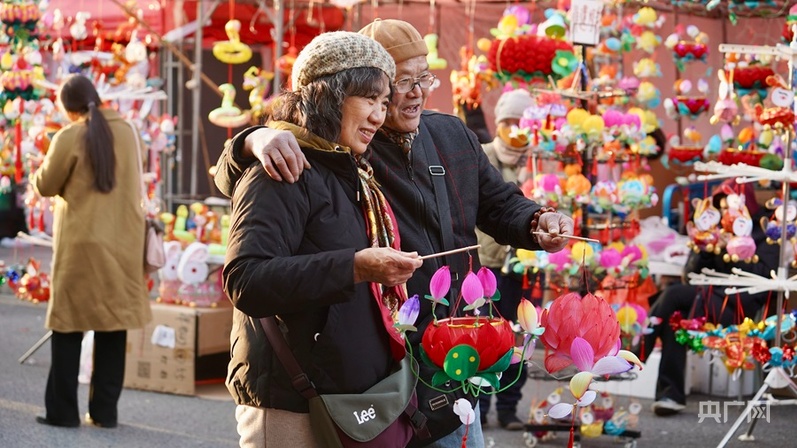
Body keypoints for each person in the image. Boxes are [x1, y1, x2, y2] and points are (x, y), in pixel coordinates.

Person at [214, 19, 575, 447]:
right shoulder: (334, 155)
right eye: (396, 85)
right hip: (371, 361)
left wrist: (537, 222)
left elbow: (499, 203)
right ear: (338, 94)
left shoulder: (438, 138)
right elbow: (247, 221)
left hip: (446, 348)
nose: (413, 93)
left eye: (423, 78)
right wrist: (251, 140)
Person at [222, 31, 424, 447]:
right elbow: (246, 280)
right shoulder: (282, 169)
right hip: (291, 403)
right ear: (327, 95)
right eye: (368, 99)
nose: (378, 115)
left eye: (384, 103)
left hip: (348, 395)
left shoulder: (351, 172)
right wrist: (354, 266)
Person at [31, 74, 152, 428]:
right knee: (113, 327)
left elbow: (45, 185)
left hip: (81, 246)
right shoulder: (128, 131)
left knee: (68, 327)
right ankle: (104, 413)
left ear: (69, 109)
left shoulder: (69, 135)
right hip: (124, 243)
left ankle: (63, 412)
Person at [644, 179, 779, 416]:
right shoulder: (712, 228)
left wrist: (736, 251)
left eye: (731, 207)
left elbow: (766, 276)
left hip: (739, 306)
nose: (726, 213)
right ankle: (670, 397)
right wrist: (705, 250)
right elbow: (690, 275)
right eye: (722, 208)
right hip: (702, 300)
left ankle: (637, 351)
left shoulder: (765, 231)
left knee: (672, 295)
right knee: (675, 316)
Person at [475, 89, 535, 430]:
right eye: (508, 121)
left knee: (519, 337)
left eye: (521, 121)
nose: (514, 129)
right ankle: (480, 410)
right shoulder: (483, 157)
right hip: (488, 265)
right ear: (498, 124)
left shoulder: (539, 163)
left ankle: (510, 408)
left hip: (524, 270)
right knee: (486, 338)